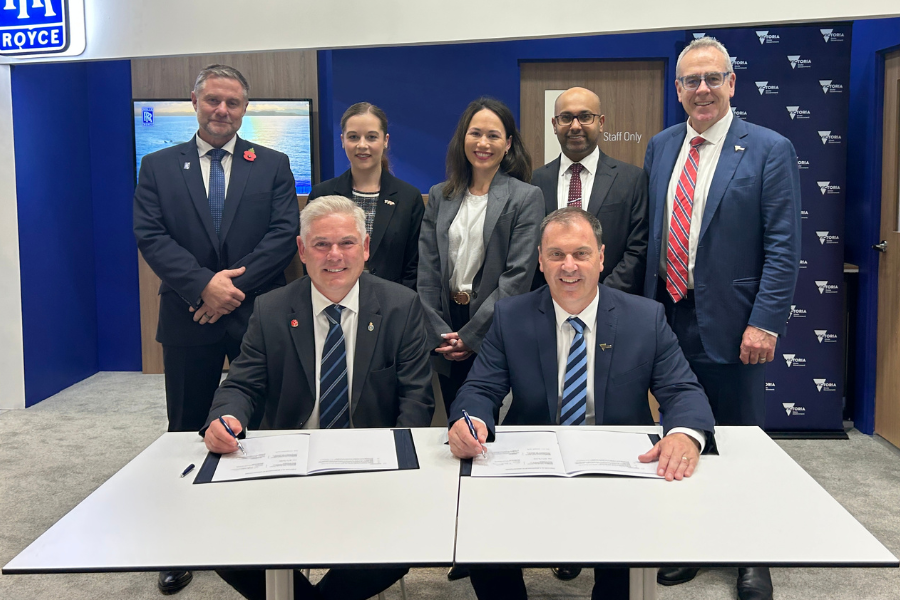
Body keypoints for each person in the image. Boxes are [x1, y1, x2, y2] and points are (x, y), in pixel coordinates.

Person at [448, 207, 716, 600]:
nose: (568, 266)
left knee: (627, 565)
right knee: (479, 530)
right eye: (556, 254)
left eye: (581, 253)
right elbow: (480, 389)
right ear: (540, 260)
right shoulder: (512, 316)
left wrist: (684, 436)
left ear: (602, 257)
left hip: (619, 465)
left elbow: (683, 391)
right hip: (532, 460)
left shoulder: (645, 317)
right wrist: (468, 421)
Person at [203, 195, 435, 600]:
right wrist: (225, 418)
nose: (334, 256)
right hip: (288, 459)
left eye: (347, 243)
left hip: (369, 464)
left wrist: (396, 468)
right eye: (321, 244)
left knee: (405, 543)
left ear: (364, 249)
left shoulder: (401, 306)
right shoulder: (272, 308)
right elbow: (241, 384)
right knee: (216, 539)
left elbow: (416, 399)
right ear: (302, 251)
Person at [643, 37, 801, 600]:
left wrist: (766, 322)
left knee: (739, 441)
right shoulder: (661, 147)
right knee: (682, 435)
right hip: (667, 320)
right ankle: (694, 542)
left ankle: (750, 556)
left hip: (736, 326)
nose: (702, 89)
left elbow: (784, 246)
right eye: (691, 81)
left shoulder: (769, 148)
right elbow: (653, 235)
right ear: (678, 90)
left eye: (713, 78)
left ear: (732, 84)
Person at [132, 64, 299, 595]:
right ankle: (180, 542)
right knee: (185, 427)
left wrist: (231, 291)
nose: (223, 110)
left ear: (245, 109)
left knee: (265, 423)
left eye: (233, 103)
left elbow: (283, 233)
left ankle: (258, 530)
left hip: (257, 315)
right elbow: (150, 234)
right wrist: (202, 286)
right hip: (188, 314)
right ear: (195, 101)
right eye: (213, 101)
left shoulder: (272, 163)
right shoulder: (158, 165)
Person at [417, 96, 544, 419]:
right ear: (463, 139)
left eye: (493, 135)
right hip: (447, 327)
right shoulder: (439, 195)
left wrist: (472, 336)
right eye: (475, 133)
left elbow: (517, 277)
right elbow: (428, 269)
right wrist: (443, 334)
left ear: (508, 144)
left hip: (494, 326)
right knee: (453, 421)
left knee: (486, 421)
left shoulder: (525, 197)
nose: (483, 143)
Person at [531, 87, 648, 294]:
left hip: (613, 303)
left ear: (600, 123)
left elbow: (638, 249)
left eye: (585, 117)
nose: (575, 126)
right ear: (554, 124)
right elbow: (530, 251)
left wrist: (598, 297)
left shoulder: (631, 180)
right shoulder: (534, 182)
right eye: (566, 117)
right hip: (548, 304)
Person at [308, 102, 424, 289]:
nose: (362, 145)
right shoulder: (322, 194)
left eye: (371, 137)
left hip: (393, 306)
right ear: (342, 140)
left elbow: (415, 267)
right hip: (333, 299)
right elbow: (313, 259)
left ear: (385, 140)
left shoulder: (408, 198)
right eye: (353, 137)